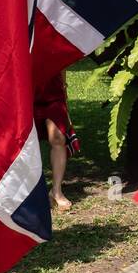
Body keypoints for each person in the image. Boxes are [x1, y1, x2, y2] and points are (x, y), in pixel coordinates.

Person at [33, 70, 79, 211]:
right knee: (28, 142)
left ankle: (56, 191)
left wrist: (64, 88)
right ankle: (31, 193)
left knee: (58, 137)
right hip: (24, 92)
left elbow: (61, 59)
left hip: (53, 93)